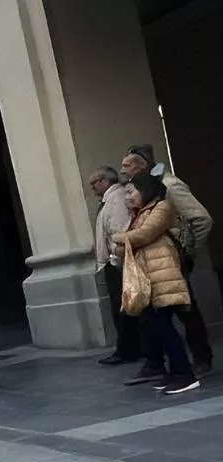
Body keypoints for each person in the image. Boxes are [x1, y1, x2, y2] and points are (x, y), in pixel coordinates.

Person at [121, 145, 214, 380]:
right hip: (150, 260)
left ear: (142, 166)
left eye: (127, 165)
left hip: (170, 258)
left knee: (186, 310)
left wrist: (187, 251)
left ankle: (201, 359)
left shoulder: (169, 186)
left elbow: (201, 219)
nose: (122, 170)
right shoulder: (139, 189)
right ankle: (155, 362)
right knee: (148, 314)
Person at [116, 174, 201, 396]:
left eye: (131, 191)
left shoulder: (161, 208)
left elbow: (143, 235)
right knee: (156, 328)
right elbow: (125, 245)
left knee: (164, 328)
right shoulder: (138, 214)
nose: (128, 197)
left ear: (146, 190)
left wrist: (117, 238)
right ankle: (175, 373)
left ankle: (185, 375)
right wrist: (124, 240)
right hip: (149, 279)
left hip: (163, 277)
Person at [89, 166, 140, 366]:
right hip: (113, 260)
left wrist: (114, 259)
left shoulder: (116, 198)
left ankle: (128, 349)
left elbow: (118, 229)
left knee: (123, 308)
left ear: (104, 181)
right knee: (121, 307)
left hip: (117, 261)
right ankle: (130, 348)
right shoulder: (108, 200)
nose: (92, 188)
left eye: (94, 183)